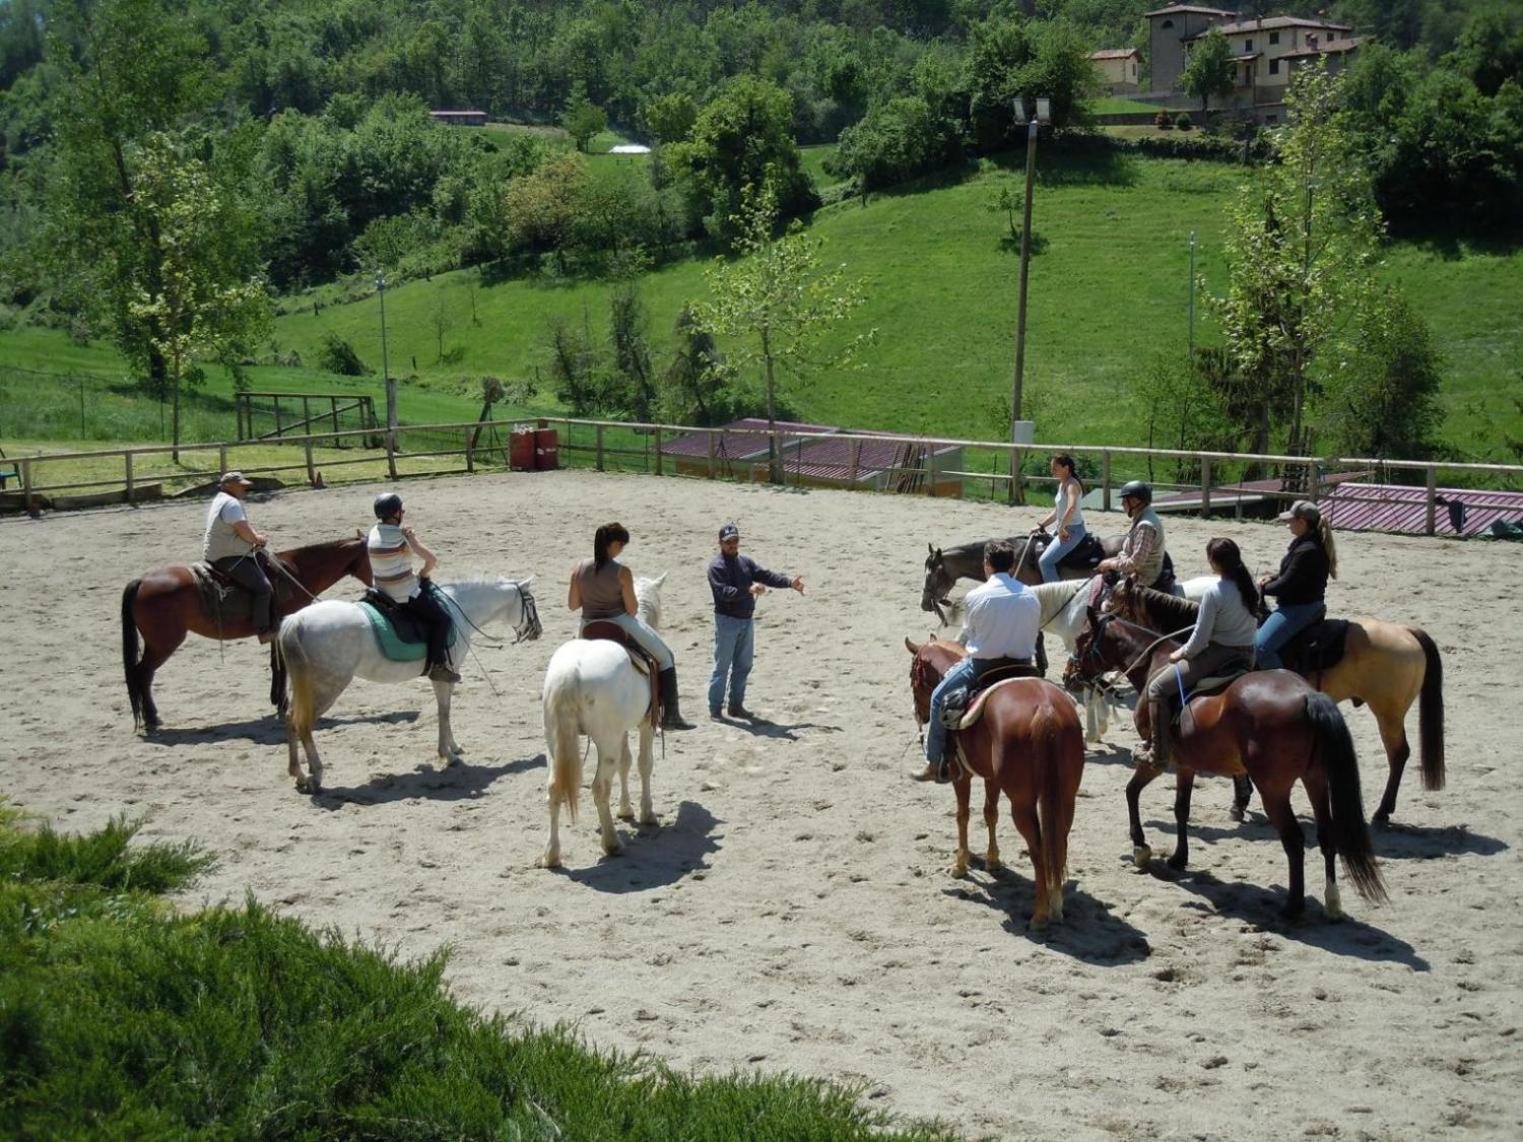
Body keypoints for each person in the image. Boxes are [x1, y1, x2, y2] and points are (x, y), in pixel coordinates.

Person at [911, 541, 1040, 782]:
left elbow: (971, 636)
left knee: (939, 698)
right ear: (1012, 565)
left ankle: (934, 762)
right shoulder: (1030, 594)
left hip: (985, 667)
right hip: (1025, 665)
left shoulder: (976, 596)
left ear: (986, 566)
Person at [1134, 538, 1258, 770]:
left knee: (1157, 688)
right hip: (1248, 654)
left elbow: (1200, 641)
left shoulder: (1214, 592)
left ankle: (1158, 754)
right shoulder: (1250, 586)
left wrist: (1180, 653)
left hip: (1220, 655)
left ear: (1214, 562)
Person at [569, 522, 695, 730]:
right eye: (621, 546)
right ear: (614, 545)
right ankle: (671, 715)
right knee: (666, 656)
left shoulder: (578, 570)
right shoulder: (622, 572)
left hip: (587, 626)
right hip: (620, 622)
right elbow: (633, 608)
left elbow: (573, 605)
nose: (621, 551)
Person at [706, 522, 804, 720]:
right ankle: (715, 709)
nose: (732, 545)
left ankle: (736, 706)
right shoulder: (716, 567)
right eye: (728, 542)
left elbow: (765, 575)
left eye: (735, 540)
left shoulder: (745, 562)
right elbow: (723, 592)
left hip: (746, 621)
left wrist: (788, 583)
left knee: (744, 665)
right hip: (726, 621)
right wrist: (747, 590)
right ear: (720, 543)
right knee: (722, 667)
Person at [368, 493, 459, 684]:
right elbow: (431, 559)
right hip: (403, 594)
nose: (403, 512)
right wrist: (422, 571)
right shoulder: (403, 537)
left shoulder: (373, 532)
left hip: (380, 592)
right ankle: (438, 665)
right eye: (401, 510)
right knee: (443, 619)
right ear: (395, 514)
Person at [1255, 499, 1338, 670]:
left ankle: (1283, 688)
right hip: (1304, 604)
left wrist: (1259, 589)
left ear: (1302, 522)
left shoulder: (1307, 550)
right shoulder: (1307, 544)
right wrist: (1271, 578)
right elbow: (1293, 573)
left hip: (1299, 608)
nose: (1287, 525)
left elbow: (1285, 586)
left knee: (1260, 647)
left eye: (1290, 521)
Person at [203, 471, 275, 642]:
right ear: (229, 486)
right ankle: (263, 629)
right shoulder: (232, 504)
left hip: (218, 551)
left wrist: (254, 536)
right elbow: (243, 531)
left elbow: (242, 527)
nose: (244, 488)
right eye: (241, 485)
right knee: (264, 589)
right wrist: (258, 539)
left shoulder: (221, 500)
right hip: (228, 556)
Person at [1097, 479, 1167, 589]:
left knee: (1108, 602)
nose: (1122, 504)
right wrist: (1111, 561)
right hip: (1136, 572)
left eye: (1125, 501)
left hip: (1143, 578)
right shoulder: (1141, 518)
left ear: (1134, 501)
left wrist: (1110, 564)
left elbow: (1135, 564)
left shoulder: (1145, 526)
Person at [1033, 453, 1087, 583]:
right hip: (1063, 529)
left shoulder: (1072, 485)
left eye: (1055, 468)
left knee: (1045, 562)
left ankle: (1056, 594)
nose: (1052, 471)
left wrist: (1062, 527)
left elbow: (1071, 508)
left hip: (1072, 531)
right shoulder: (1062, 484)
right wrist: (1041, 525)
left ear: (1066, 468)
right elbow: (1057, 512)